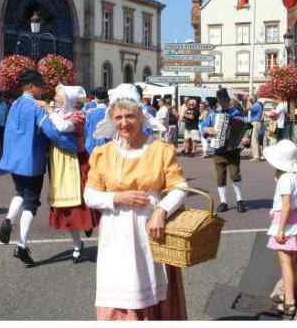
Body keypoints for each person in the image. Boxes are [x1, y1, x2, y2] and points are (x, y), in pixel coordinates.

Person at [84, 84, 188, 320]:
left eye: (130, 116)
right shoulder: (104, 153)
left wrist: (161, 210)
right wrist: (117, 197)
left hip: (150, 231)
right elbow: (90, 195)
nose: (124, 123)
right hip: (117, 232)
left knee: (152, 287)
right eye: (118, 117)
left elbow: (179, 187)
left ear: (141, 116)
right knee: (120, 290)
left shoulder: (160, 150)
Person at [0, 70, 78, 267]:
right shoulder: (36, 107)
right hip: (31, 160)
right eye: (39, 85)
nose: (42, 89)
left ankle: (9, 218)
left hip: (13, 160)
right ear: (31, 86)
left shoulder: (14, 104)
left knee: (20, 192)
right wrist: (73, 145)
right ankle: (22, 245)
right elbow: (52, 132)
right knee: (31, 203)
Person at [39, 85, 100, 262]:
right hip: (59, 162)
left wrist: (49, 110)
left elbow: (63, 127)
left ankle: (90, 226)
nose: (56, 98)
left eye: (59, 95)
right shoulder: (59, 113)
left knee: (81, 203)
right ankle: (77, 244)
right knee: (64, 206)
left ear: (68, 99)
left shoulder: (78, 116)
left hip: (77, 161)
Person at [263, 140, 297, 318]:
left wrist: (280, 229)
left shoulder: (284, 180)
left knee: (286, 263)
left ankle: (289, 301)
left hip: (286, 222)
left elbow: (286, 205)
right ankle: (296, 289)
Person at [200, 89, 248, 213]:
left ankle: (240, 200)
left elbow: (246, 128)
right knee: (220, 177)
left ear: (228, 100)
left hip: (233, 149)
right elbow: (203, 126)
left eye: (224, 101)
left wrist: (245, 137)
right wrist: (207, 130)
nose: (222, 103)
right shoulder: (213, 114)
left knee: (235, 175)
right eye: (220, 101)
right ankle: (223, 202)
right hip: (218, 149)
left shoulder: (236, 113)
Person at [84, 87, 109, 155]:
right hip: (107, 147)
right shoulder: (110, 112)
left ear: (95, 98)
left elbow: (86, 131)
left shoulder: (89, 113)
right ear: (107, 98)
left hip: (91, 147)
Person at [247, 95, 263, 161]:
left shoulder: (256, 105)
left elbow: (248, 108)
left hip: (255, 122)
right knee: (255, 139)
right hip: (256, 122)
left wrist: (248, 101)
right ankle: (258, 154)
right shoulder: (257, 105)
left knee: (254, 139)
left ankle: (256, 156)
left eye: (251, 99)